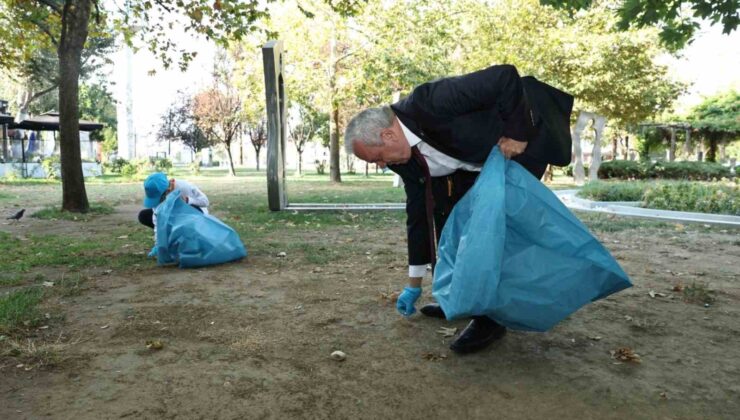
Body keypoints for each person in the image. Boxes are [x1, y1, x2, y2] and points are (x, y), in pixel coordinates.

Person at [344, 64, 573, 354]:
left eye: (376, 158)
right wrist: (413, 282)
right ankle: (461, 297)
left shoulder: (431, 101)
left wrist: (518, 133)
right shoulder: (403, 159)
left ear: (388, 136)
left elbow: (505, 77)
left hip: (524, 136)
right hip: (476, 162)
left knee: (492, 230)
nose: (380, 166)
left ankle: (490, 319)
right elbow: (420, 215)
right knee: (453, 223)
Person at [138, 172, 210, 256]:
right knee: (144, 215)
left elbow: (205, 201)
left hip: (195, 215)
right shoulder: (159, 198)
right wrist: (158, 245)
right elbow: (157, 219)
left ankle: (193, 239)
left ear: (167, 190)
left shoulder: (184, 186)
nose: (158, 201)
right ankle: (171, 239)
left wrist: (188, 200)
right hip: (173, 217)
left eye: (159, 198)